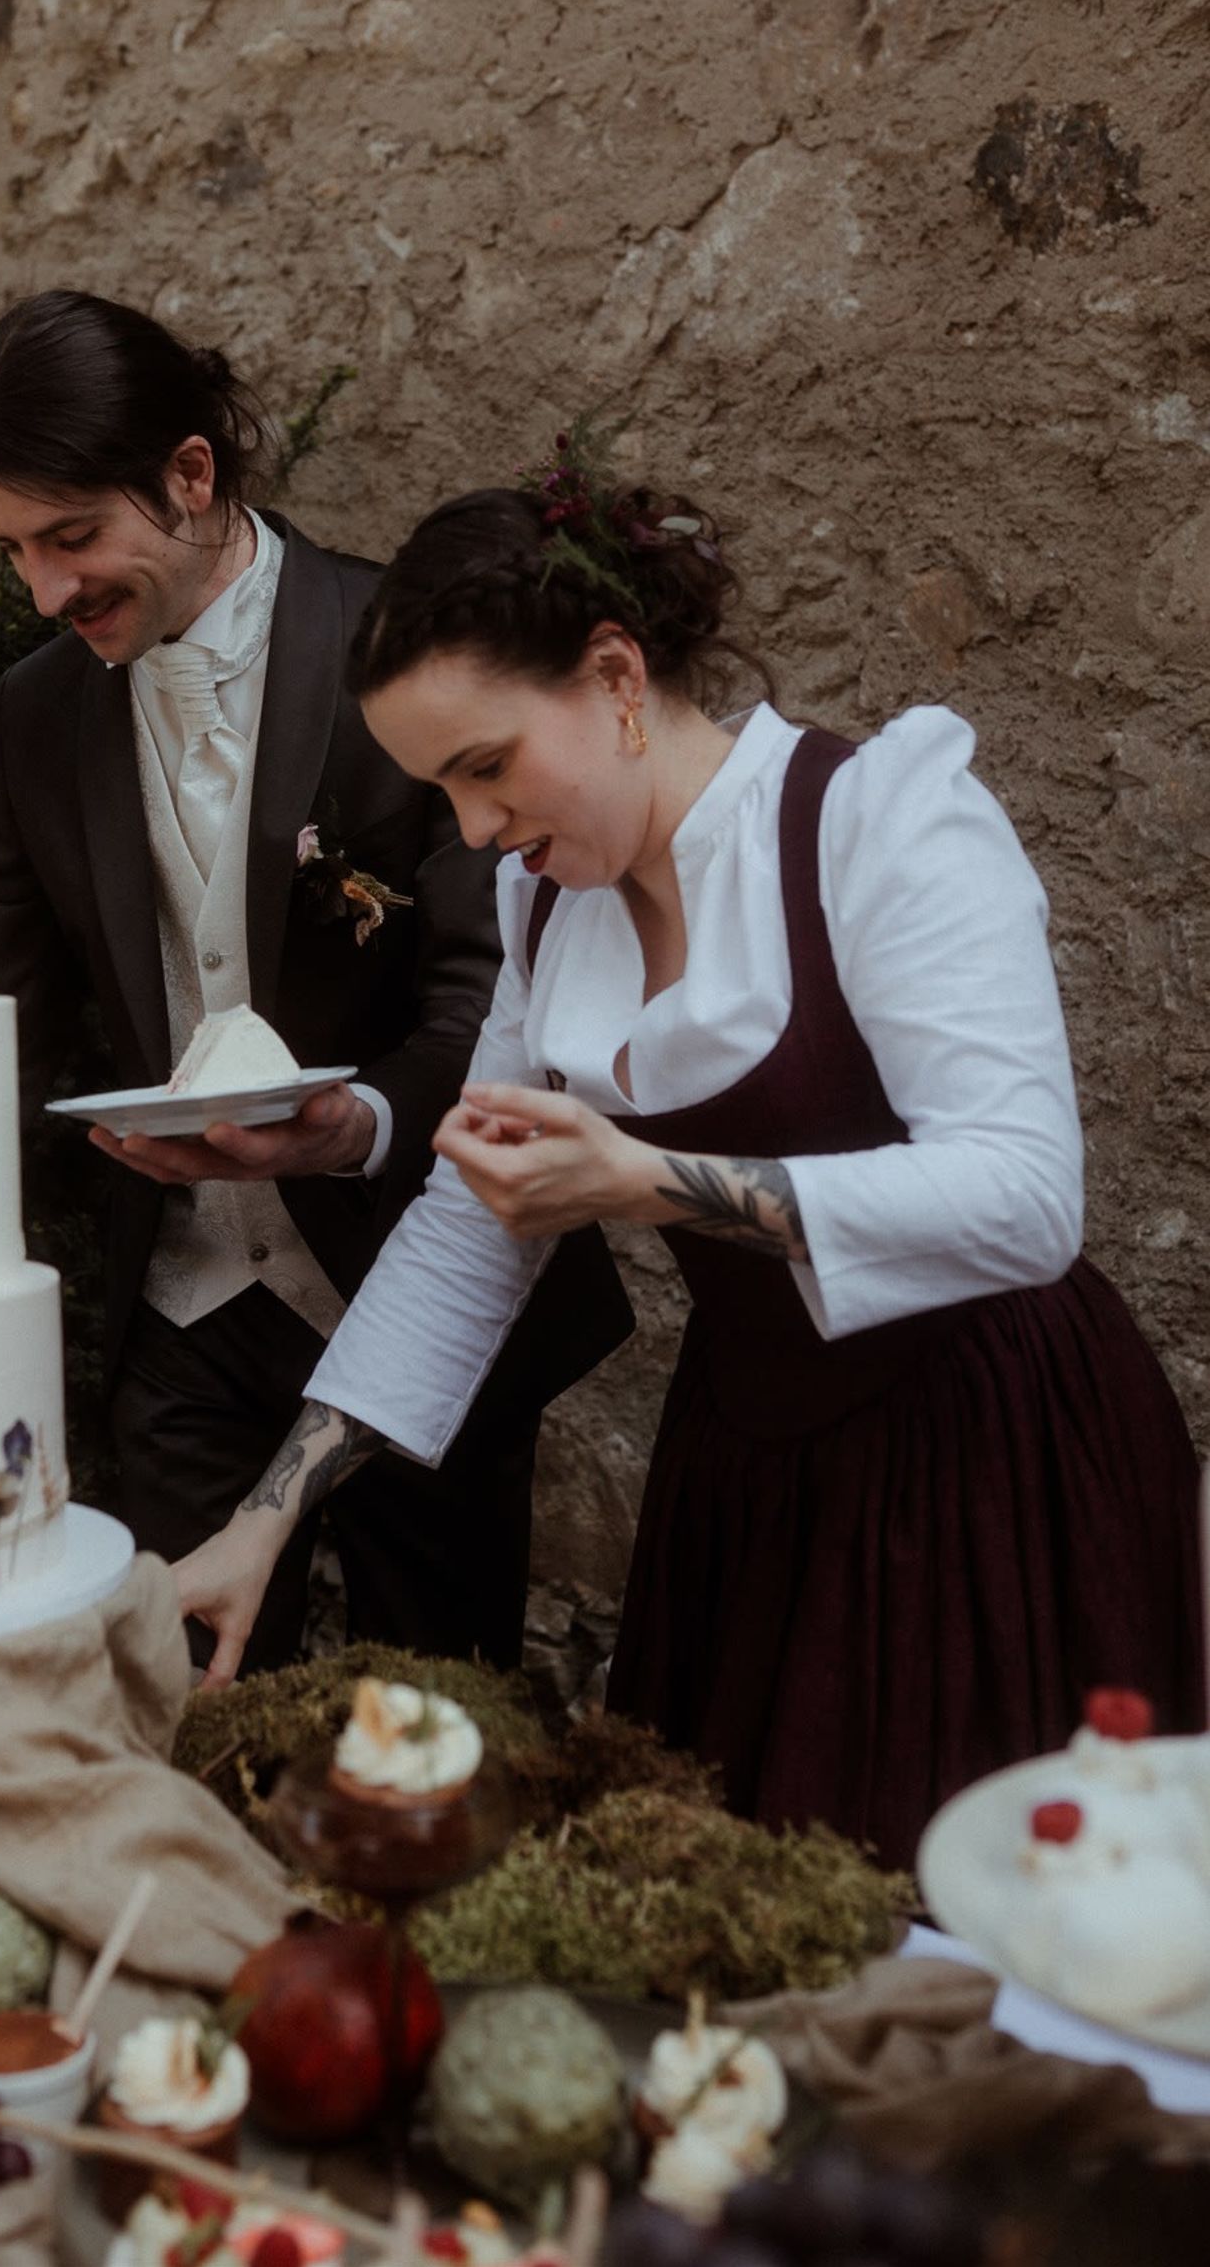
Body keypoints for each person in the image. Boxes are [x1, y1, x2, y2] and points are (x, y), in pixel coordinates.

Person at [173, 456, 1205, 1866]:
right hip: (749, 1479)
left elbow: (1026, 1199)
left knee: (982, 1906)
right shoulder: (548, 910)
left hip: (981, 1457)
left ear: (616, 675)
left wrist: (646, 1182)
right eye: (442, 790)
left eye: (486, 767)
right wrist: (266, 1522)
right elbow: (468, 1230)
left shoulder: (878, 820)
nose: (473, 831)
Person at [0, 293, 630, 1672]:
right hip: (182, 1315)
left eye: (71, 537)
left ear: (191, 473)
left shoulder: (405, 654)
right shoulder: (33, 711)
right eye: (10, 551)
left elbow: (491, 989)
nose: (43, 592)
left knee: (434, 1720)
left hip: (415, 1279)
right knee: (184, 1709)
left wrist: (354, 1124)